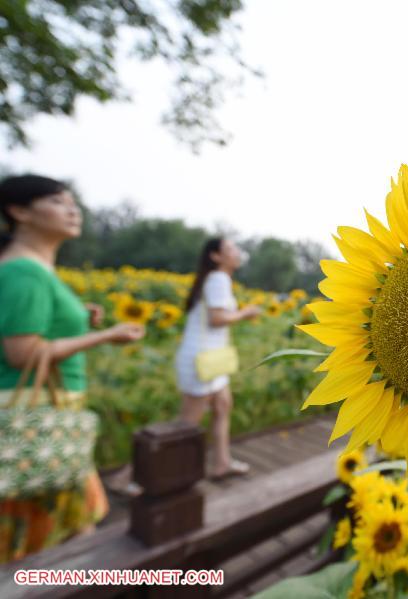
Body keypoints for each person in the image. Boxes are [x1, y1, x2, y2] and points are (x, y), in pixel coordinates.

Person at [0, 174, 145, 563]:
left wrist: (80, 318)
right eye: (57, 201)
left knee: (67, 532)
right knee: (44, 542)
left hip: (48, 418)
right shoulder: (23, 271)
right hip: (33, 422)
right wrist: (106, 336)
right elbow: (22, 352)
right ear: (18, 212)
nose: (72, 209)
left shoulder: (32, 270)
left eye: (73, 201)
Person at [175, 238, 260, 479]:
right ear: (215, 256)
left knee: (223, 405)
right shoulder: (219, 279)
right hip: (201, 360)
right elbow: (217, 319)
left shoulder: (216, 279)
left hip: (211, 359)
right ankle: (133, 474)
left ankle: (222, 462)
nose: (237, 253)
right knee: (186, 424)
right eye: (231, 249)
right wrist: (246, 313)